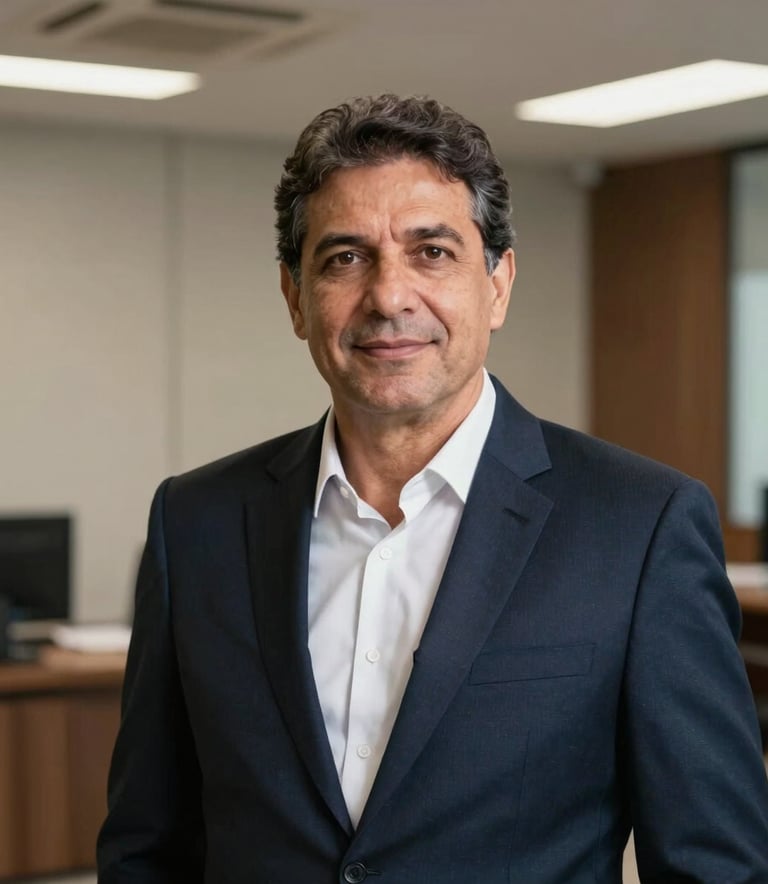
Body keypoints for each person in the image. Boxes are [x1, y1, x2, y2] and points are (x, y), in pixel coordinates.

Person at [97, 94, 768, 883]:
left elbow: (713, 867)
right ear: (294, 297)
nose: (388, 296)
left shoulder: (640, 525)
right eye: (344, 257)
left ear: (498, 285)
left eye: (432, 252)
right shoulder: (196, 521)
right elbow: (148, 845)